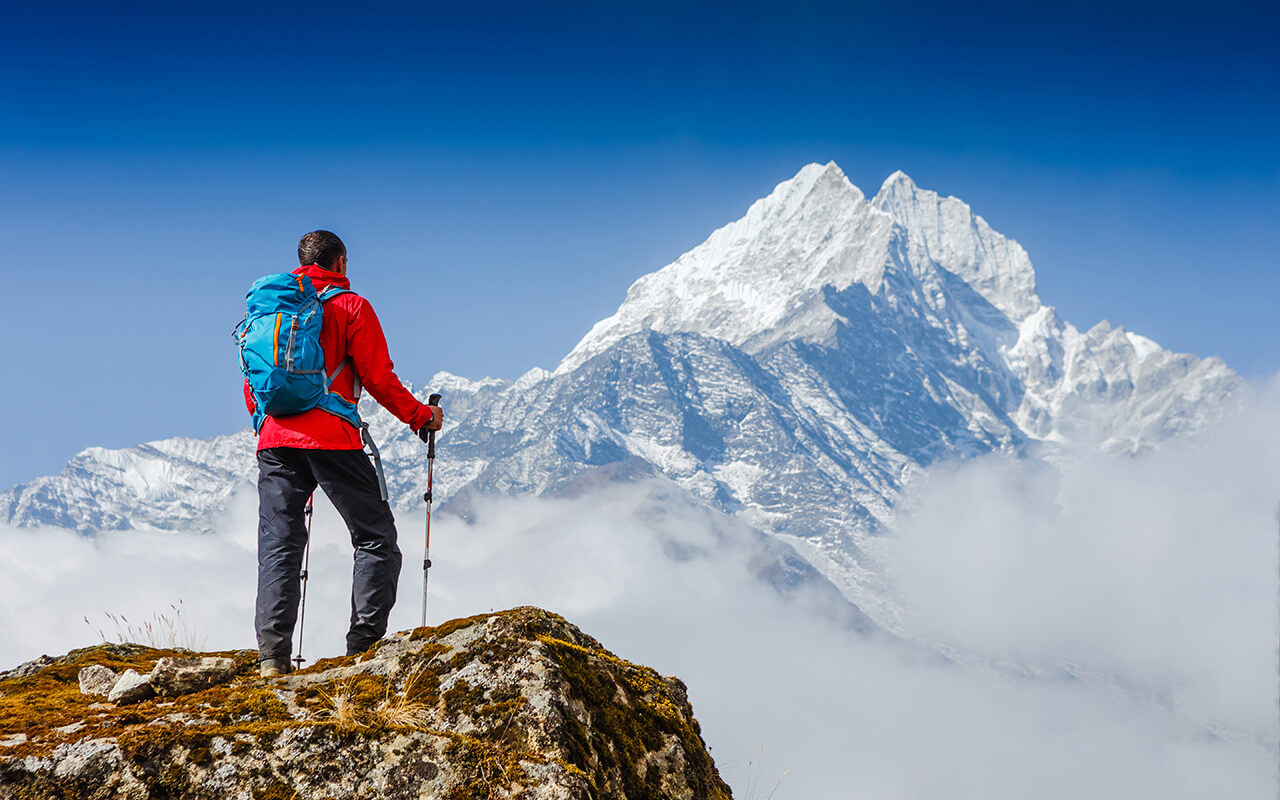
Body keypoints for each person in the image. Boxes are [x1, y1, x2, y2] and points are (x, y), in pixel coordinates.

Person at [247, 230, 442, 677]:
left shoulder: (271, 309)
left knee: (279, 547)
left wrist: (269, 428)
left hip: (275, 441)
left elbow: (254, 383)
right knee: (376, 540)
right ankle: (362, 652)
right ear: (341, 262)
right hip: (332, 437)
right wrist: (421, 416)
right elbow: (378, 377)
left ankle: (272, 659)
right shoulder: (351, 306)